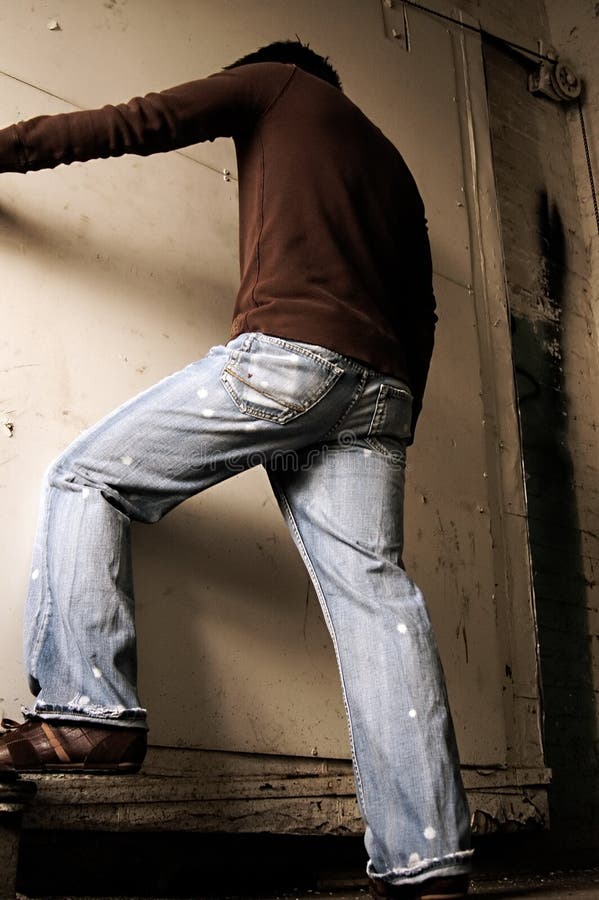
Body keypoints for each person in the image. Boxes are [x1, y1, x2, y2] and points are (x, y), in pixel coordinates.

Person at [0, 40, 472, 898]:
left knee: (85, 478)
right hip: (380, 394)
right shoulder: (391, 165)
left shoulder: (277, 84)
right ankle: (426, 859)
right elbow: (423, 307)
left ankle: (88, 716)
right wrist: (394, 413)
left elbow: (134, 122)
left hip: (291, 359)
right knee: (377, 603)